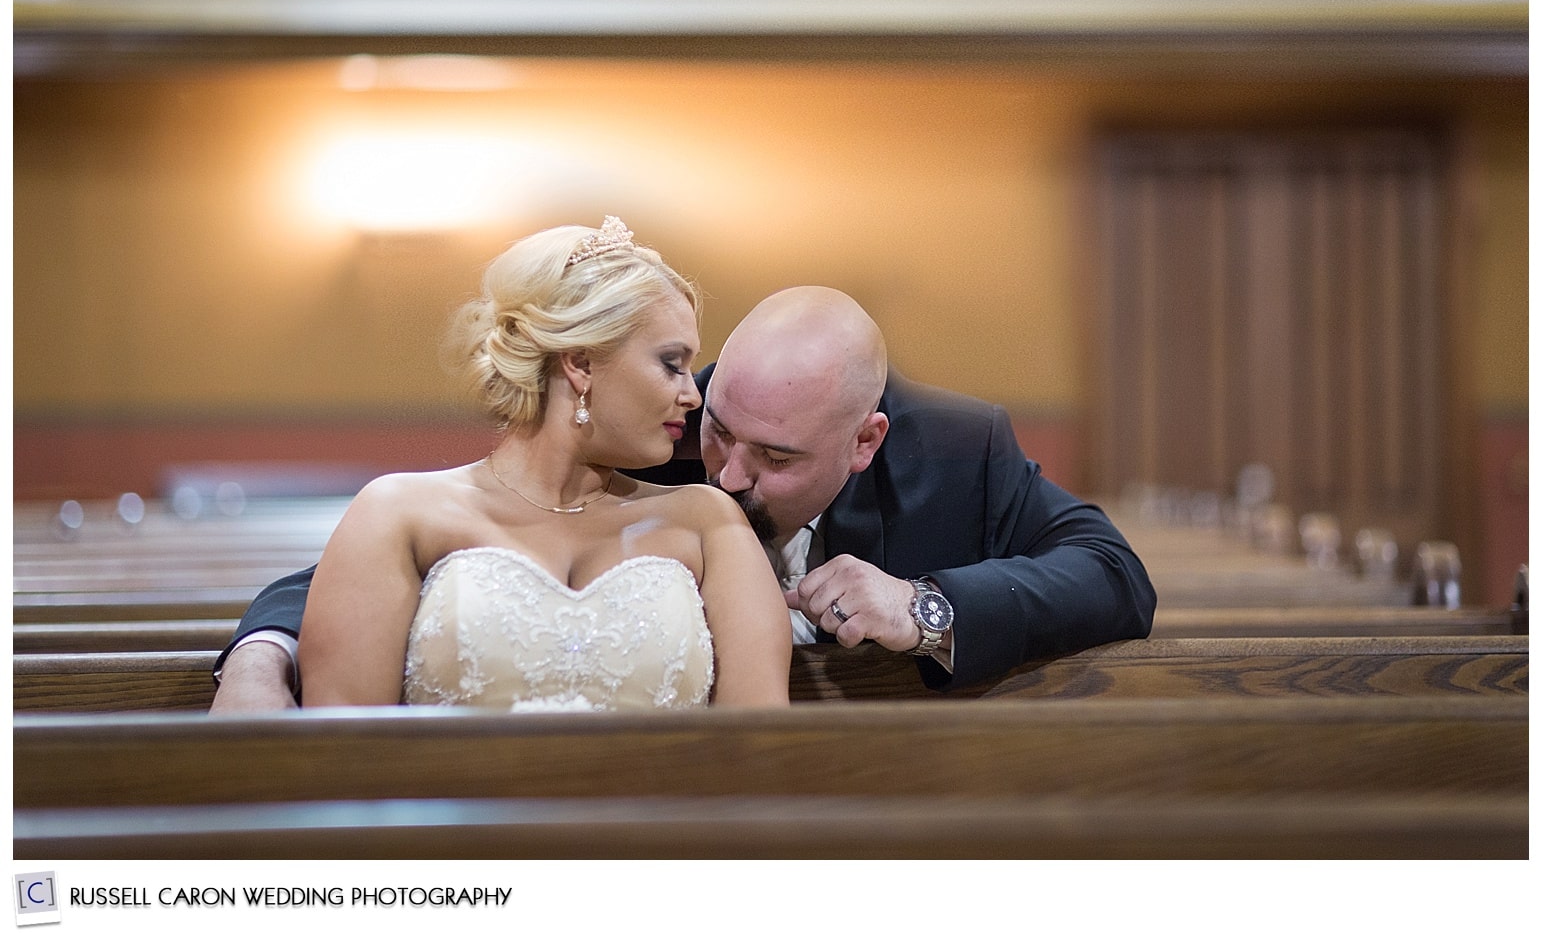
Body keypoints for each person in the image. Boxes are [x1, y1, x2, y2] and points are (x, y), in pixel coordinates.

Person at [212, 284, 1153, 710]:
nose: (728, 474)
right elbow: (416, 554)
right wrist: (261, 657)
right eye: (721, 431)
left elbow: (1115, 577)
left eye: (775, 456)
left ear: (867, 441)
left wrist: (926, 606)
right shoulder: (654, 426)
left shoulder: (960, 449)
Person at [270, 217, 790, 712]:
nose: (691, 396)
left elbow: (760, 744)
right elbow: (343, 749)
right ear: (581, 362)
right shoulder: (399, 512)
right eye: (671, 365)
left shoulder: (708, 520)